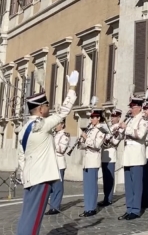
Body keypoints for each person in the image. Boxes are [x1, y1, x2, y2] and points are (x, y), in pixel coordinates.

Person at [16, 70, 78, 235]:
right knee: (35, 219)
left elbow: (21, 156)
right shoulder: (42, 125)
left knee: (26, 215)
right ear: (41, 109)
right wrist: (72, 87)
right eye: (47, 106)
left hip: (29, 178)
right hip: (42, 178)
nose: (49, 109)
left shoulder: (23, 129)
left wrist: (25, 175)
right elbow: (63, 112)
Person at [116, 96, 148, 220]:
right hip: (128, 155)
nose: (131, 109)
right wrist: (118, 131)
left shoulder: (143, 119)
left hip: (136, 155)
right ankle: (129, 208)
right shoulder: (130, 119)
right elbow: (124, 134)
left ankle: (135, 210)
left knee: (136, 185)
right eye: (131, 107)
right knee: (128, 185)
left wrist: (126, 128)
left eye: (133, 107)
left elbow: (140, 134)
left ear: (139, 107)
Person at [79, 108, 106, 217]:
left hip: (94, 160)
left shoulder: (101, 130)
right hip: (87, 160)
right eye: (91, 117)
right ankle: (87, 207)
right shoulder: (90, 129)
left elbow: (96, 145)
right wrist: (82, 139)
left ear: (98, 118)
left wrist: (86, 139)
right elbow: (82, 145)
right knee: (87, 186)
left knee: (92, 185)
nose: (91, 119)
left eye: (93, 117)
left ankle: (92, 208)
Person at [45, 121, 70, 215]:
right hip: (52, 163)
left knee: (58, 186)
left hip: (59, 164)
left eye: (57, 124)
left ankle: (55, 207)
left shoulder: (65, 135)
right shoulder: (54, 135)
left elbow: (61, 149)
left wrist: (51, 143)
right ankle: (52, 206)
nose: (55, 126)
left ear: (62, 124)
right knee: (52, 187)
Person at [99, 108, 122, 207]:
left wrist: (110, 137)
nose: (112, 118)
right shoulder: (110, 127)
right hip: (104, 153)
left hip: (111, 153)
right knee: (105, 178)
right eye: (111, 116)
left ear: (119, 118)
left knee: (109, 178)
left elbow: (116, 141)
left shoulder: (119, 128)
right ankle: (106, 197)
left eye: (114, 117)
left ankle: (109, 198)